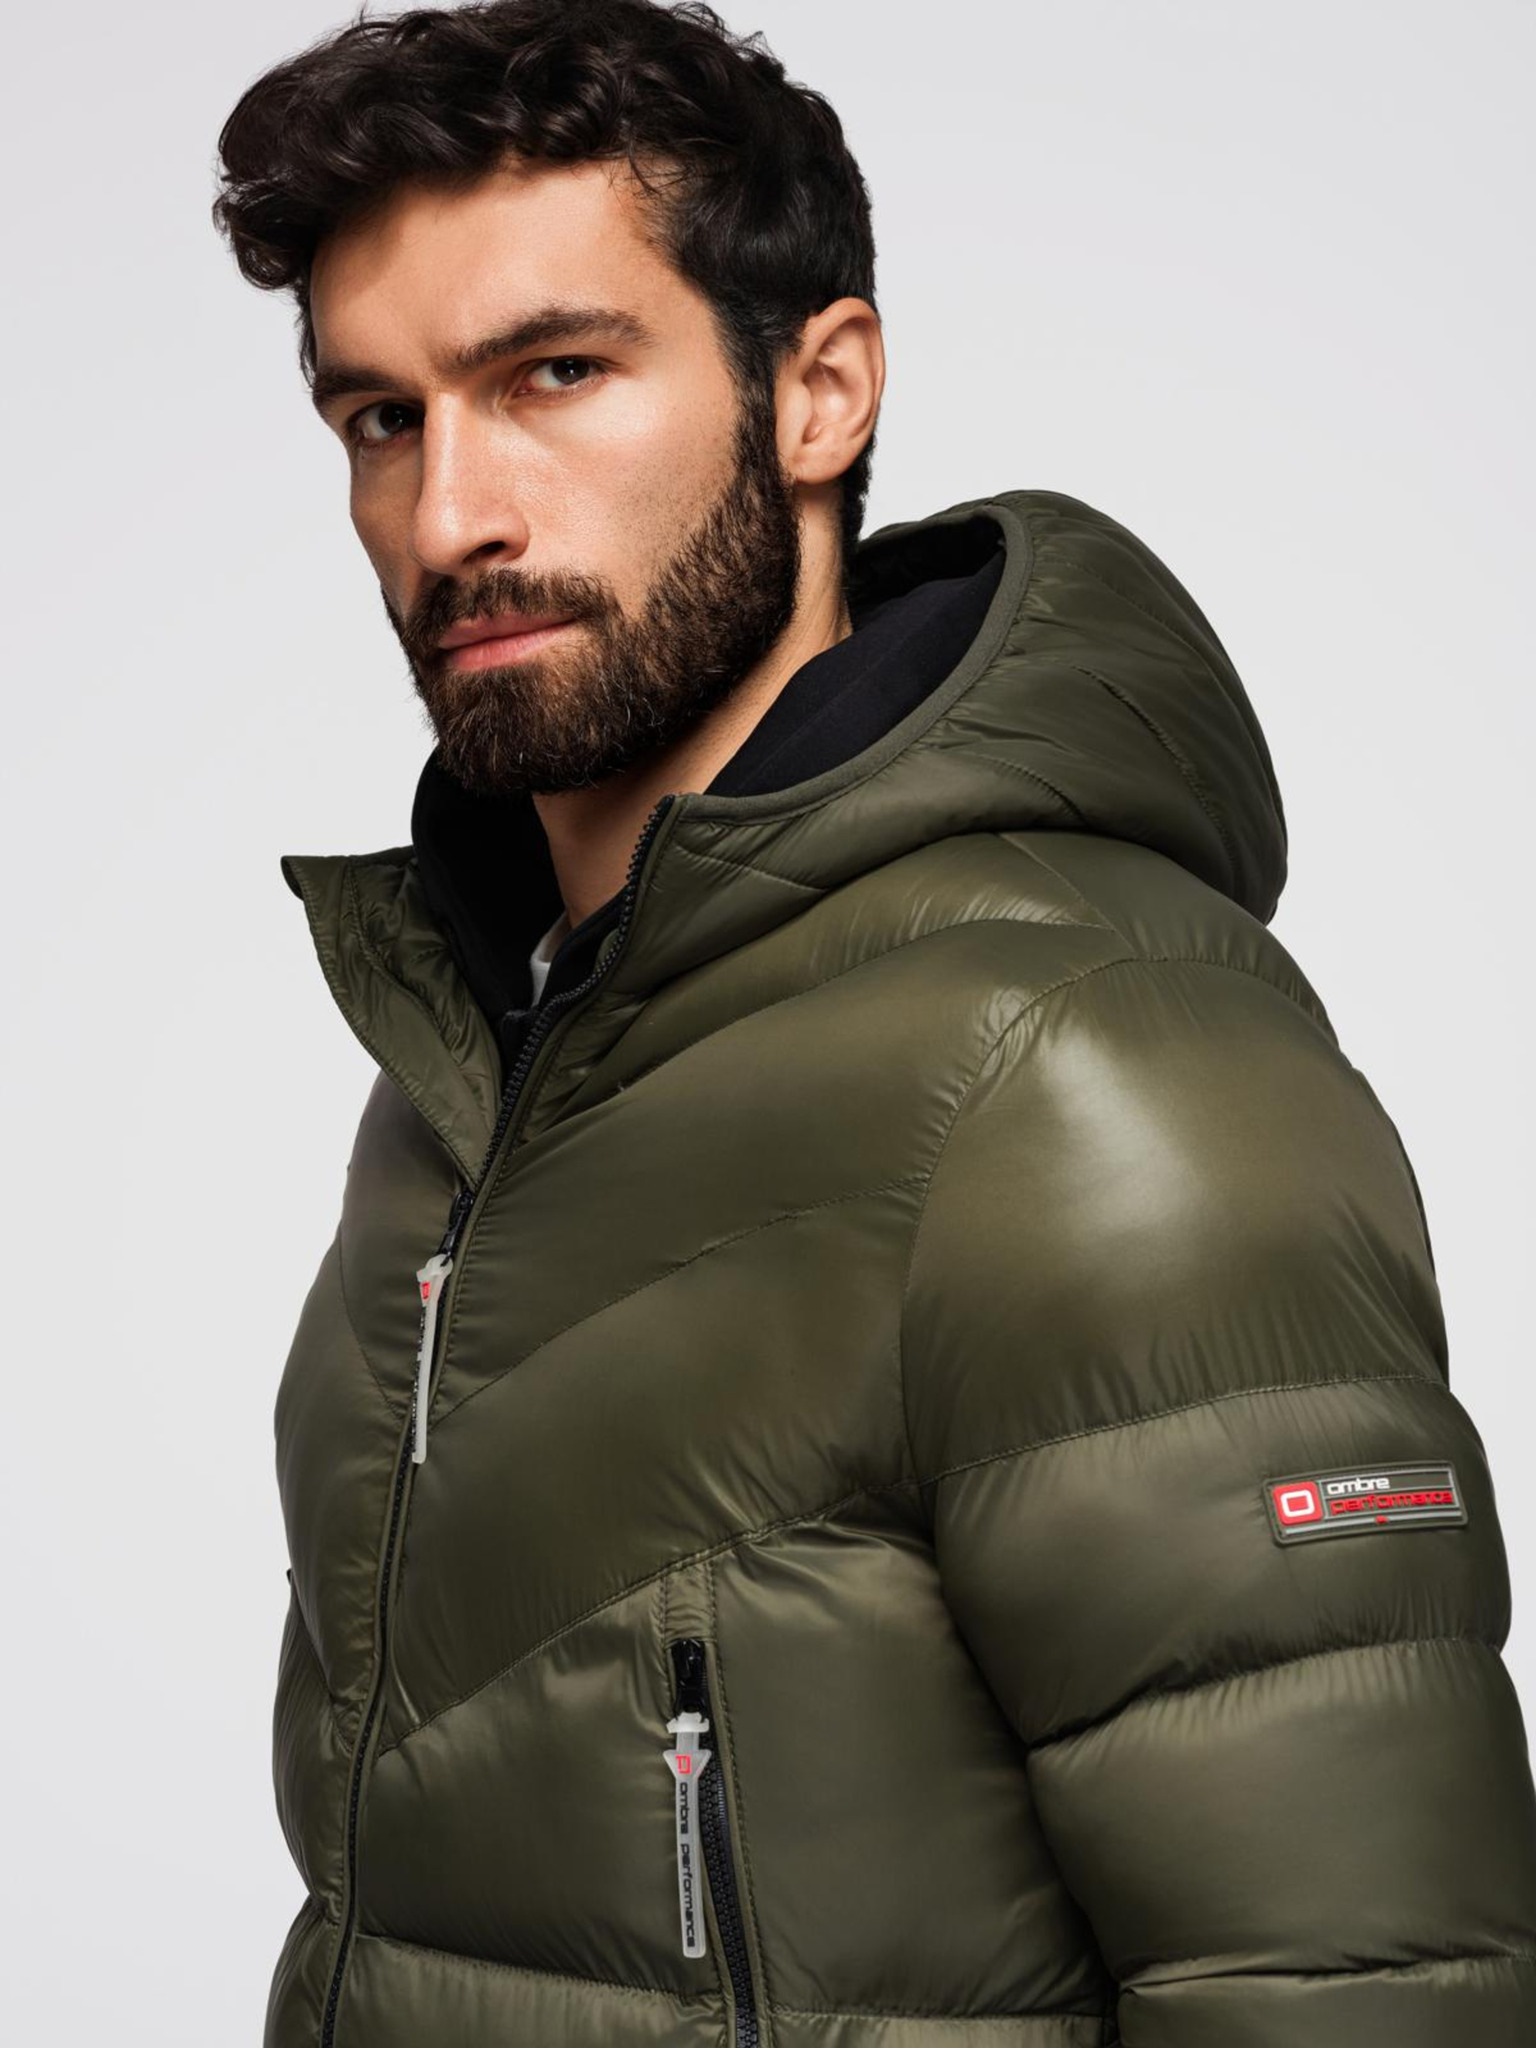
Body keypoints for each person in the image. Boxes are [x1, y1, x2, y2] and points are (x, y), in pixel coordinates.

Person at [212, 3, 1536, 2043]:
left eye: (556, 374)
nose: (453, 513)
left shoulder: (1082, 1064)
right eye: (383, 418)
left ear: (818, 392)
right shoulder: (472, 1069)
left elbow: (1362, 1991)